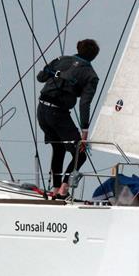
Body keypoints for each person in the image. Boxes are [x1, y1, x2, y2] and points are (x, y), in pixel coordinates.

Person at [37, 39, 100, 198]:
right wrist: (84, 130)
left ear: (78, 48)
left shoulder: (61, 60)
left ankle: (55, 189)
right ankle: (64, 189)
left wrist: (57, 71)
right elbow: (84, 104)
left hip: (42, 110)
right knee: (81, 154)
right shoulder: (91, 76)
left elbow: (40, 77)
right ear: (94, 56)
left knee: (58, 149)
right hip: (58, 114)